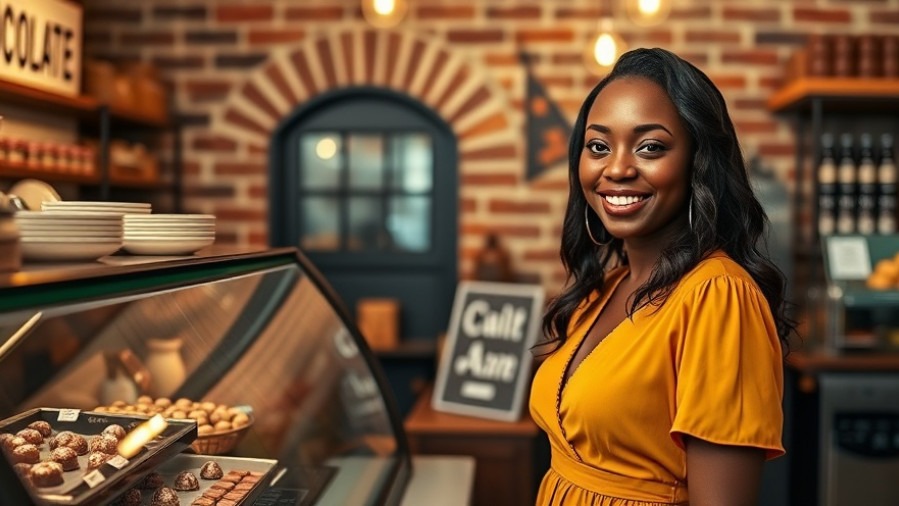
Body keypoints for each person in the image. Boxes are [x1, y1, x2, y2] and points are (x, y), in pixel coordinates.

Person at [529, 47, 795, 506]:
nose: (617, 168)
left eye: (650, 146)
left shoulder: (719, 298)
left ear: (698, 162)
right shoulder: (608, 286)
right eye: (598, 146)